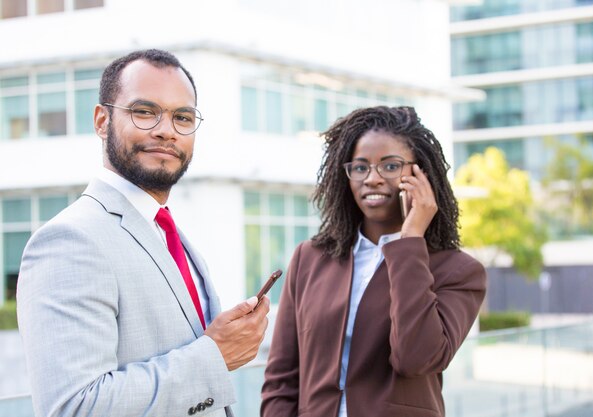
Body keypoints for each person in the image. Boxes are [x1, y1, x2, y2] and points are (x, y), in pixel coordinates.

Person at [17, 49, 270, 417]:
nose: (166, 129)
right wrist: (213, 356)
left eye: (182, 117)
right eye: (145, 112)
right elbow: (73, 407)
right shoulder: (69, 241)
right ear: (102, 121)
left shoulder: (169, 232)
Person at [261, 106, 487, 417]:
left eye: (390, 166)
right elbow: (281, 376)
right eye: (360, 167)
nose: (373, 179)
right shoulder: (309, 259)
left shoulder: (458, 271)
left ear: (421, 174)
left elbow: (416, 358)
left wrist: (410, 243)